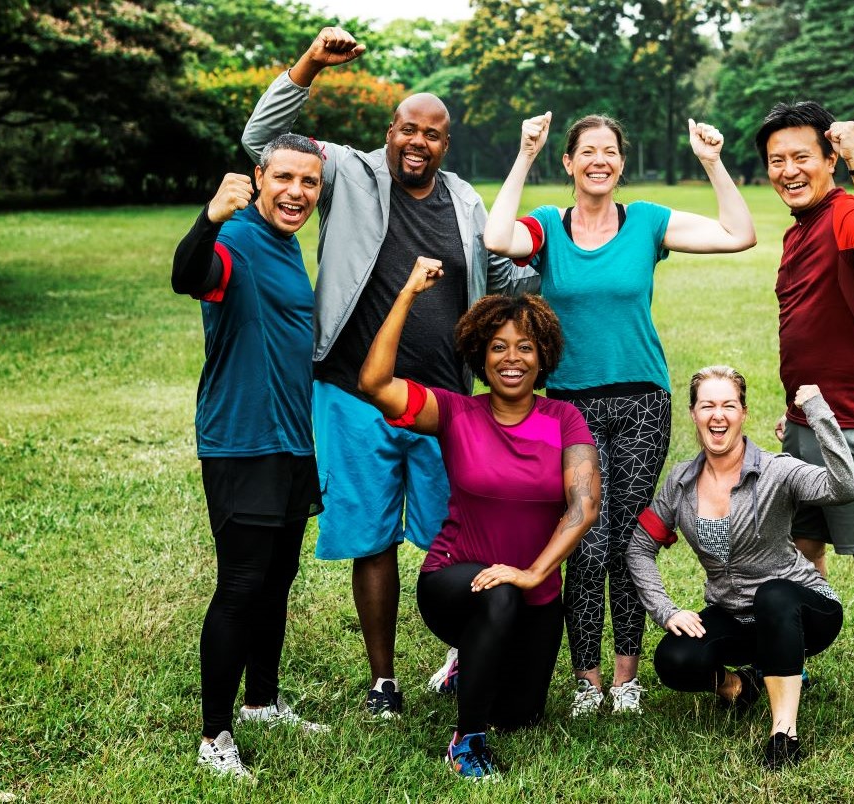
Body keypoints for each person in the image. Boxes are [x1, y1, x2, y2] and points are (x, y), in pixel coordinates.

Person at [241, 28, 537, 717]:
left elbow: (501, 274)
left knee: (454, 536)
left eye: (432, 135)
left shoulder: (465, 200)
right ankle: (383, 682)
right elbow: (263, 140)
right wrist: (310, 63)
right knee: (371, 538)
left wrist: (569, 267)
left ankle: (463, 658)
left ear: (444, 144)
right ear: (390, 131)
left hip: (442, 403)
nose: (418, 143)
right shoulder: (347, 171)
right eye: (408, 129)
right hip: (352, 394)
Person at [483, 112, 756, 716]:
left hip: (641, 403)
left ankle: (627, 680)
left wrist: (712, 161)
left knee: (628, 538)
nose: (599, 160)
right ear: (570, 163)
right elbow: (495, 238)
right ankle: (587, 682)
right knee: (585, 538)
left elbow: (739, 234)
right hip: (571, 406)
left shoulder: (648, 223)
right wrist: (526, 152)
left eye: (610, 151)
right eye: (587, 152)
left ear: (620, 163)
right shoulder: (548, 227)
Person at [357, 259, 601, 779]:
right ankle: (465, 742)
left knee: (521, 714)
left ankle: (468, 665)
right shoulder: (454, 412)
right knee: (498, 594)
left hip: (534, 593)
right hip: (455, 579)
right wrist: (406, 294)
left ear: (544, 358)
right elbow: (375, 383)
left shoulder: (565, 419)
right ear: (479, 356)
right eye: (498, 347)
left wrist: (534, 573)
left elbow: (584, 508)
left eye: (525, 348)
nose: (511, 359)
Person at [755, 101, 854, 733]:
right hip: (807, 423)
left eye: (802, 157)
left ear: (828, 159)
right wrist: (794, 405)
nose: (789, 170)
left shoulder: (846, 208)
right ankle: (798, 669)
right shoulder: (799, 227)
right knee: (803, 551)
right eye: (777, 161)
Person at [171, 133, 328, 781]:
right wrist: (208, 217)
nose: (296, 192)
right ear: (260, 177)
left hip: (292, 440)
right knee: (240, 585)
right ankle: (215, 736)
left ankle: (261, 700)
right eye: (285, 178)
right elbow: (188, 276)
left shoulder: (288, 246)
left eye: (309, 183)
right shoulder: (235, 238)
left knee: (277, 578)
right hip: (243, 440)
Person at [626, 366, 854, 769]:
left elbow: (845, 488)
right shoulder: (680, 482)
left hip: (803, 612)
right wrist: (666, 610)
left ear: (744, 413)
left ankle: (783, 733)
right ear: (693, 414)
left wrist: (820, 413)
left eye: (728, 405)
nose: (718, 415)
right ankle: (740, 686)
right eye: (707, 406)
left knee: (773, 595)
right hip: (735, 614)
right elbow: (639, 547)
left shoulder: (775, 470)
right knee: (674, 659)